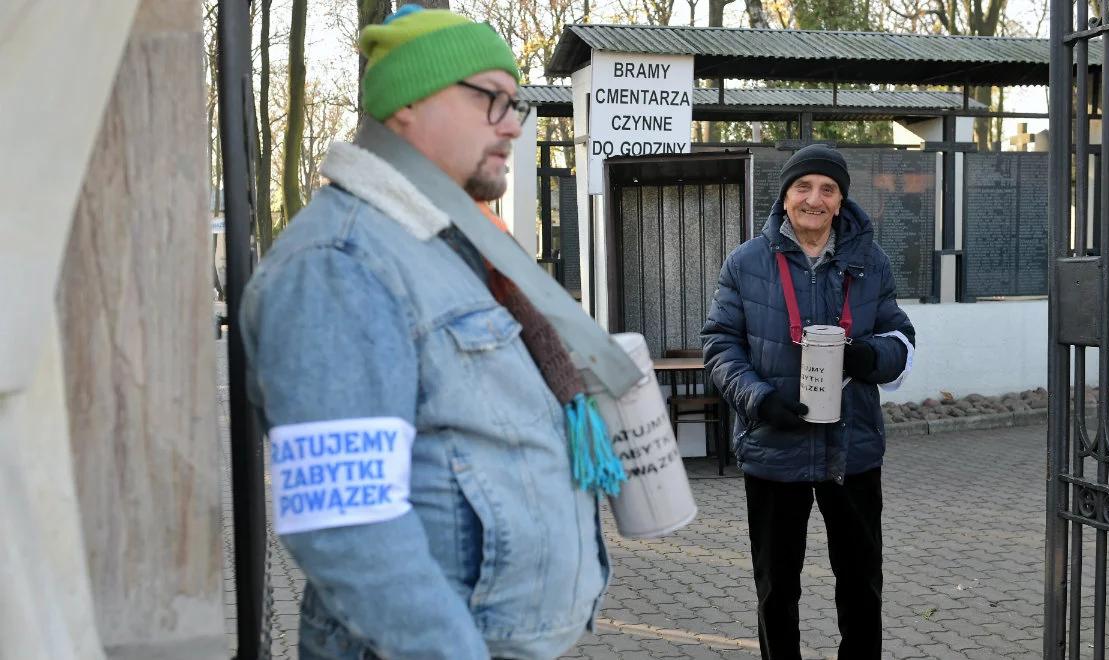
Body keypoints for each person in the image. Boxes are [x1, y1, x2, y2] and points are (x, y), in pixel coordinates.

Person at [239, 6, 621, 658]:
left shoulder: (452, 250)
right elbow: (347, 525)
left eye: (516, 105)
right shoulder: (339, 265)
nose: (511, 125)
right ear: (407, 105)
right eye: (490, 100)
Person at [701, 144, 916, 659]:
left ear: (840, 201)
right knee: (777, 590)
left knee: (861, 585)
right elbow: (719, 343)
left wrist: (871, 356)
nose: (813, 199)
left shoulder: (870, 261)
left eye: (827, 189)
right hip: (775, 448)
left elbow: (901, 338)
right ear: (786, 196)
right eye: (803, 187)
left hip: (853, 450)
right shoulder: (747, 262)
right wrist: (758, 399)